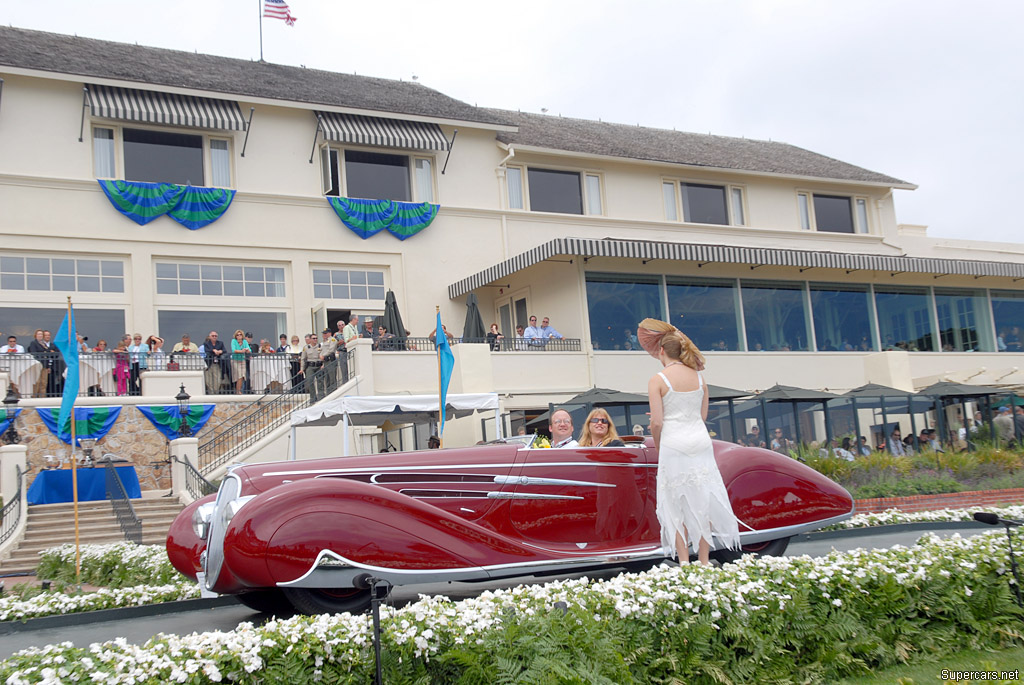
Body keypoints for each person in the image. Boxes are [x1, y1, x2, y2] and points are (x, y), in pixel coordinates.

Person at [641, 317, 739, 565]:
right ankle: (704, 560)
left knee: (675, 502)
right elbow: (702, 415)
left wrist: (659, 445)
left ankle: (684, 561)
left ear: (662, 350)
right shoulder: (699, 378)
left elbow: (657, 423)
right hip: (700, 440)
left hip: (674, 442)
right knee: (702, 498)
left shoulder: (658, 380)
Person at [230, 329, 251, 394]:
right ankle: (238, 391)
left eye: (240, 334)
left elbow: (249, 350)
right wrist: (242, 351)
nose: (239, 336)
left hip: (242, 360)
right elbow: (234, 350)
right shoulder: (233, 341)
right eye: (237, 335)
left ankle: (239, 390)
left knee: (242, 376)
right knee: (238, 375)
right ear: (235, 336)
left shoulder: (244, 341)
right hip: (235, 360)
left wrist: (247, 350)